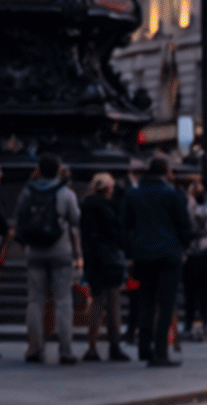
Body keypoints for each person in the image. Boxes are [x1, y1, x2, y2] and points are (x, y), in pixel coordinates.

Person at [2, 152, 83, 364]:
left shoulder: (27, 191)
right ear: (58, 170)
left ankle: (35, 349)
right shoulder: (65, 193)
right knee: (63, 300)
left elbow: (20, 218)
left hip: (35, 251)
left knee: (35, 300)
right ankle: (65, 350)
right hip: (60, 250)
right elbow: (75, 219)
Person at [123, 155, 192, 366]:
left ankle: (144, 348)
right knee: (166, 304)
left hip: (142, 255)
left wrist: (131, 249)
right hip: (169, 255)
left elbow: (124, 225)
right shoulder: (172, 194)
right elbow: (184, 225)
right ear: (166, 173)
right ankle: (160, 351)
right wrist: (183, 246)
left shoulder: (133, 194)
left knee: (146, 301)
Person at [79, 170, 130, 361]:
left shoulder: (85, 206)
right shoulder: (111, 208)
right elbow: (118, 235)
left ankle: (92, 347)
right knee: (113, 303)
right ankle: (114, 346)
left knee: (96, 302)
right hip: (111, 260)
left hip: (93, 260)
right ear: (109, 189)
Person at [181, 178, 207, 337]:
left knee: (193, 290)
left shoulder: (190, 207)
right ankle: (202, 320)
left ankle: (192, 321)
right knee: (201, 290)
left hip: (195, 250)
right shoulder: (205, 207)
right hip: (202, 250)